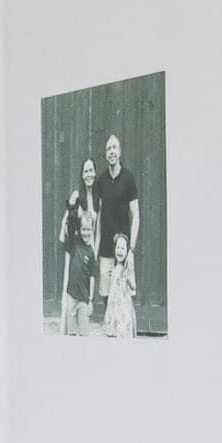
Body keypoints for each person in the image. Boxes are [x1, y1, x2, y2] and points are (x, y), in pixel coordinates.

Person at [96, 134, 140, 317]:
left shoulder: (129, 179)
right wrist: (96, 246)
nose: (111, 151)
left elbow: (136, 215)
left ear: (120, 152)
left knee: (126, 294)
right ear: (106, 155)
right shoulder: (101, 180)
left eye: (114, 147)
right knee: (106, 293)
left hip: (123, 248)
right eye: (108, 149)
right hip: (106, 247)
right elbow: (98, 214)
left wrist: (131, 249)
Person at [58, 157, 99, 335]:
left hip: (88, 250)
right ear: (82, 175)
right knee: (69, 287)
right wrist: (65, 234)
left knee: (82, 296)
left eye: (91, 170)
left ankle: (81, 330)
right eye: (86, 171)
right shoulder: (77, 195)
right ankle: (65, 329)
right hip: (74, 247)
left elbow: (99, 230)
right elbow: (65, 221)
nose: (89, 174)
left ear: (95, 173)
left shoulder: (98, 199)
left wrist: (94, 250)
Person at [102, 233, 136, 337]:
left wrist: (129, 279)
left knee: (122, 332)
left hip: (123, 309)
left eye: (122, 248)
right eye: (118, 248)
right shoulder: (114, 268)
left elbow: (134, 286)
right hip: (114, 307)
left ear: (127, 251)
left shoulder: (128, 269)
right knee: (113, 332)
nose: (120, 251)